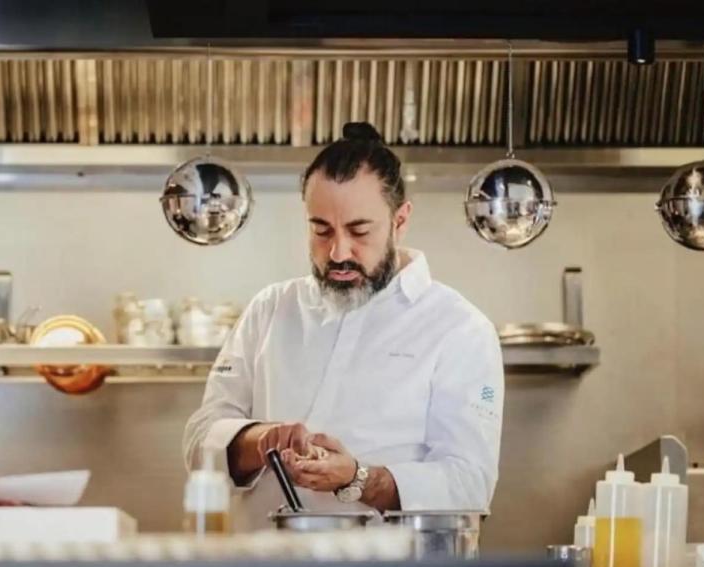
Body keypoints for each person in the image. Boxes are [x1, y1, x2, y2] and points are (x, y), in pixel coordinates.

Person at [183, 122, 505, 531]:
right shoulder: (270, 309)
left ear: (400, 220)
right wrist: (261, 440)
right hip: (264, 563)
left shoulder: (460, 329)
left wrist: (361, 480)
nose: (338, 251)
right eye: (321, 230)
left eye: (359, 230)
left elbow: (469, 484)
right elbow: (200, 440)